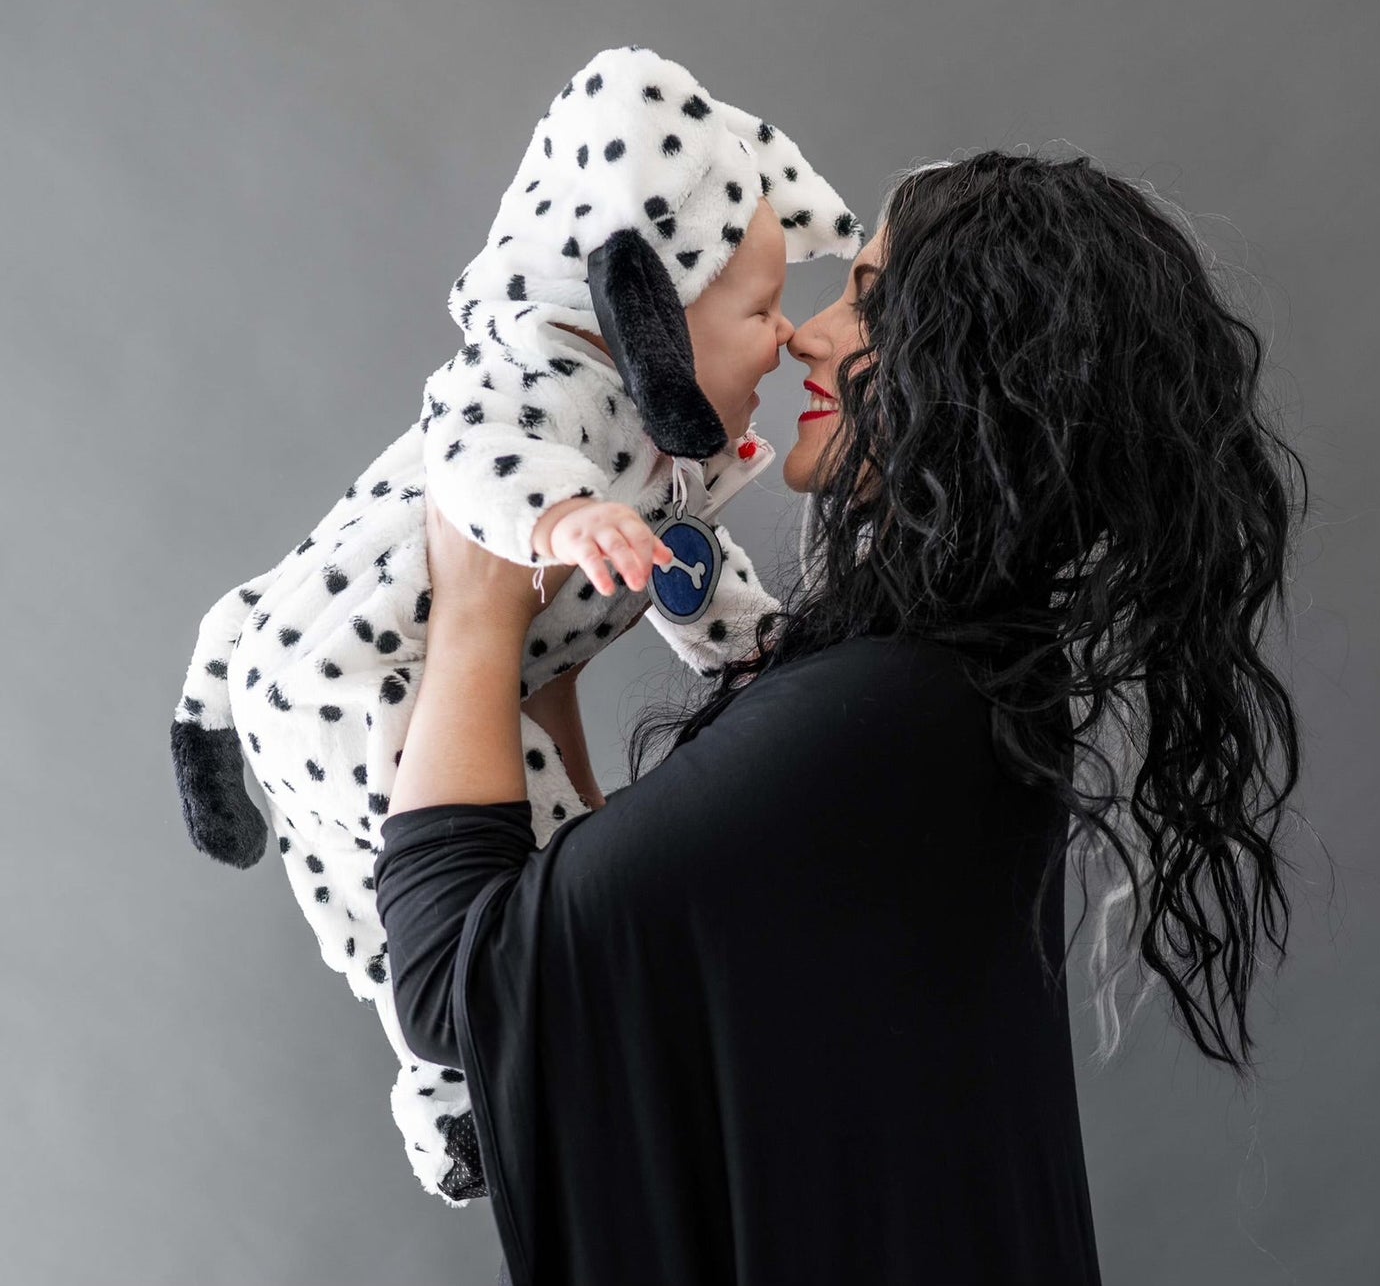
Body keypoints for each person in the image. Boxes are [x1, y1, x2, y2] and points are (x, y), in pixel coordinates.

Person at [372, 149, 1307, 1285]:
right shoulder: (971, 688)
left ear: (978, 362)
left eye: (868, 298)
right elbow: (601, 958)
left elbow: (454, 987)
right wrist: (543, 667)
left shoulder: (889, 711)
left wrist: (474, 612)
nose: (808, 337)